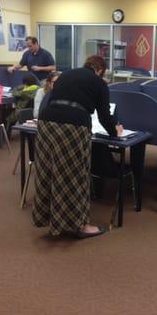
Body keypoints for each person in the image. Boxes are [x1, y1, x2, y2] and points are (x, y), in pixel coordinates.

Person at [32, 56, 123, 239]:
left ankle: (50, 218)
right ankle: (81, 225)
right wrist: (115, 132)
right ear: (100, 69)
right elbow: (105, 116)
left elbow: (51, 99)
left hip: (46, 123)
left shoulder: (66, 75)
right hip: (73, 126)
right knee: (76, 175)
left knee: (48, 171)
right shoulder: (98, 83)